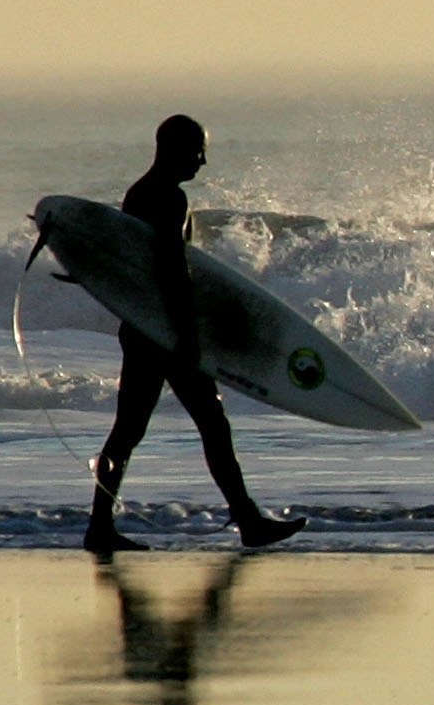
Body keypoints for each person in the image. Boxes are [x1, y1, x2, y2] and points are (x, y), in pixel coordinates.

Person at [84, 115, 303, 554]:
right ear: (173, 149)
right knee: (209, 426)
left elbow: (137, 266)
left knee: (132, 432)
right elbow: (173, 270)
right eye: (197, 150)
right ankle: (247, 522)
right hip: (165, 334)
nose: (203, 161)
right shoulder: (168, 197)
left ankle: (100, 526)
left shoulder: (139, 194)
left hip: (146, 329)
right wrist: (187, 336)